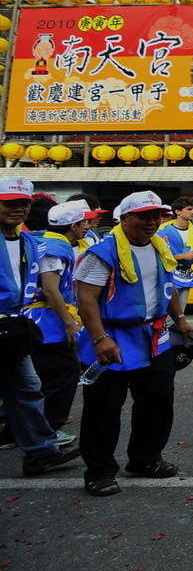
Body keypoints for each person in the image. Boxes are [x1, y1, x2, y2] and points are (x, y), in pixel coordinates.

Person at [75, 190, 193, 497]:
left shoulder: (160, 246)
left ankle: (145, 460)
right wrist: (100, 338)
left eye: (157, 216)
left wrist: (178, 318)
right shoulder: (103, 252)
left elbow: (165, 285)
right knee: (104, 408)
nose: (152, 221)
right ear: (124, 218)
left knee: (157, 402)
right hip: (112, 338)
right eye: (144, 216)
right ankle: (99, 472)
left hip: (154, 338)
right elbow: (86, 297)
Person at [0, 177, 82, 478]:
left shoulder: (28, 242)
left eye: (24, 203)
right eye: (10, 203)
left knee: (27, 389)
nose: (18, 209)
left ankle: (40, 452)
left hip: (12, 328)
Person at [29, 200, 98, 443]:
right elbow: (50, 290)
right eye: (84, 223)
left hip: (38, 321)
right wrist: (69, 322)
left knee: (38, 378)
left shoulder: (43, 240)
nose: (87, 227)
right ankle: (48, 430)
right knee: (63, 375)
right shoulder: (56, 249)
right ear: (73, 225)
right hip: (47, 323)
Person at [158, 198, 193, 311]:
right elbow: (158, 257)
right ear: (177, 212)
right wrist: (182, 256)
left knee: (180, 311)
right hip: (169, 273)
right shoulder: (163, 232)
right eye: (189, 209)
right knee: (166, 309)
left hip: (187, 274)